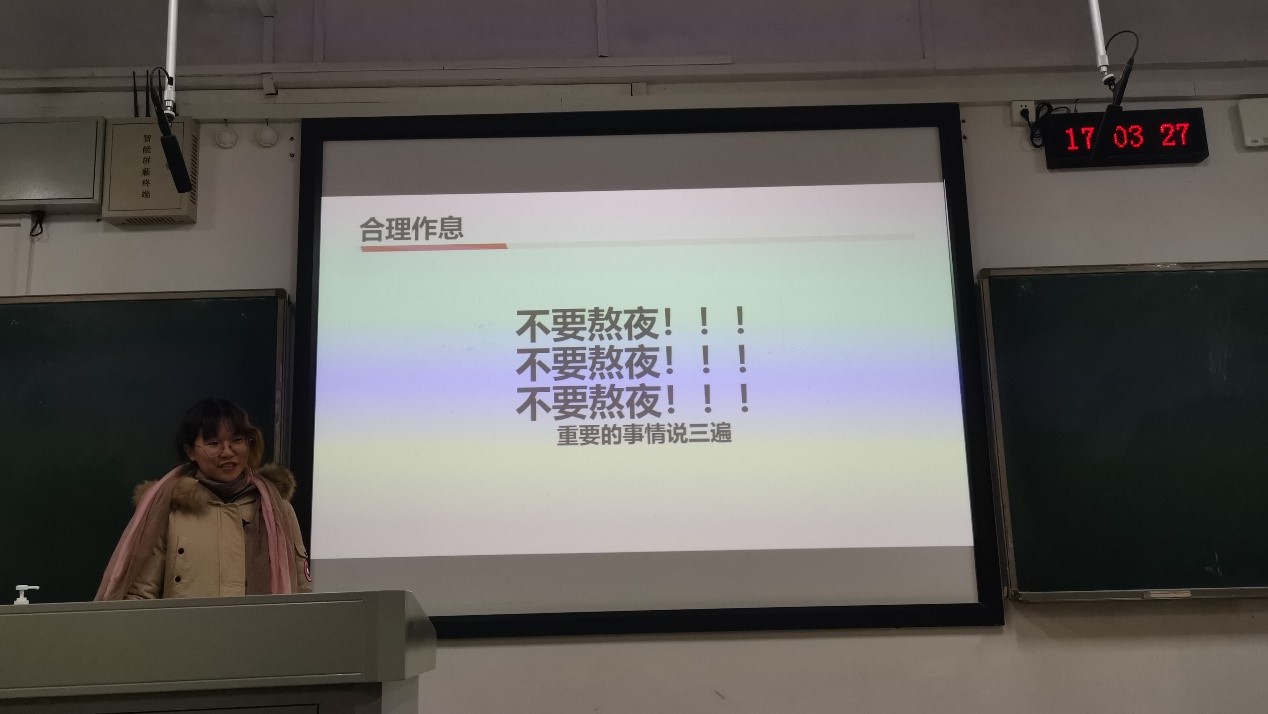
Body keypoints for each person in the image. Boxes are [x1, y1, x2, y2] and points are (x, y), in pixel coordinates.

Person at [96, 399, 312, 600]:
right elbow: (139, 595)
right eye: (213, 443)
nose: (227, 452)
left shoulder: (277, 510)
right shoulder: (167, 509)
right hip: (185, 630)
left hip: (260, 629)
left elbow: (301, 593)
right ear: (191, 451)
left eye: (237, 440)